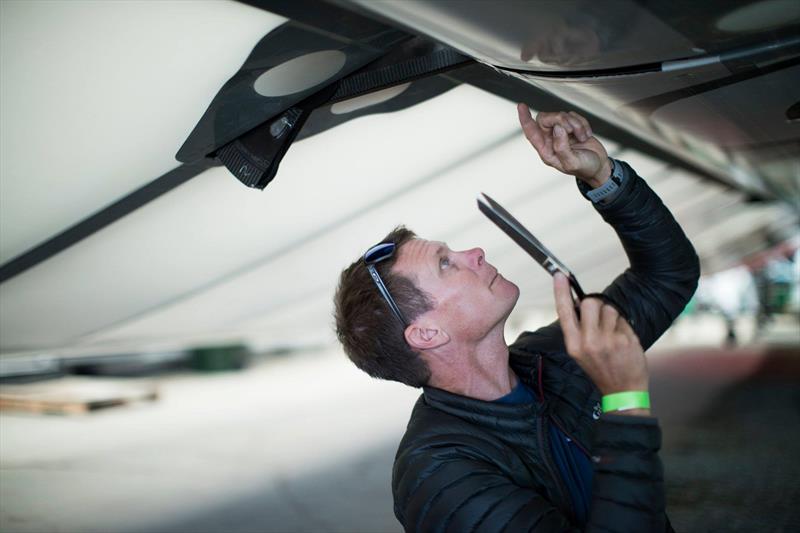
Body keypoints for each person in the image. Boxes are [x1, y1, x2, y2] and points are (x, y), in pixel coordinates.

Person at [333, 104, 700, 532]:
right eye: (446, 264)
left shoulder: (552, 360)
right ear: (427, 333)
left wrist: (604, 179)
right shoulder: (441, 479)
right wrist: (625, 401)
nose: (475, 253)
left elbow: (667, 277)